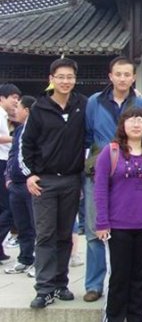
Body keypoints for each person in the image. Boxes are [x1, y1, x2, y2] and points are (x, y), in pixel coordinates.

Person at [84, 56, 142, 303]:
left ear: (134, 77)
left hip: (131, 172)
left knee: (127, 229)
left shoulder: (141, 103)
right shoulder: (94, 102)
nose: (122, 78)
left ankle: (128, 282)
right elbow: (87, 135)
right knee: (95, 228)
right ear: (110, 76)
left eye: (127, 74)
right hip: (98, 169)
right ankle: (94, 284)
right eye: (118, 74)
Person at [22, 57, 87, 309]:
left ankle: (61, 283)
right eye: (61, 77)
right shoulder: (39, 108)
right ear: (51, 79)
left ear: (75, 79)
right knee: (45, 235)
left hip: (71, 180)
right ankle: (44, 288)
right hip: (45, 182)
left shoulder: (82, 105)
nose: (65, 81)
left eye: (70, 77)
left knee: (64, 235)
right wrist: (30, 174)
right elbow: (26, 145)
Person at [94, 108, 142, 322]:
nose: (136, 124)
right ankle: (114, 317)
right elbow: (100, 189)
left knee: (140, 277)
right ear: (123, 125)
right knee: (119, 276)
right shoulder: (111, 151)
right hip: (118, 225)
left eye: (141, 120)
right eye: (131, 120)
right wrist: (102, 222)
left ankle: (136, 316)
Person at [4, 95, 36, 274]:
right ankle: (25, 258)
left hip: (30, 184)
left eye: (18, 107)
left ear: (27, 110)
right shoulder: (18, 130)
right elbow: (13, 154)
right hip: (15, 185)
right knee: (22, 225)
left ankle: (40, 262)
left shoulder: (37, 130)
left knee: (37, 225)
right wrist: (8, 177)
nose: (15, 111)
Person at [0, 83, 21, 263]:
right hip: (1, 162)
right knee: (9, 208)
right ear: (2, 98)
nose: (16, 101)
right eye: (13, 97)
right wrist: (17, 138)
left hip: (4, 162)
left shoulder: (5, 116)